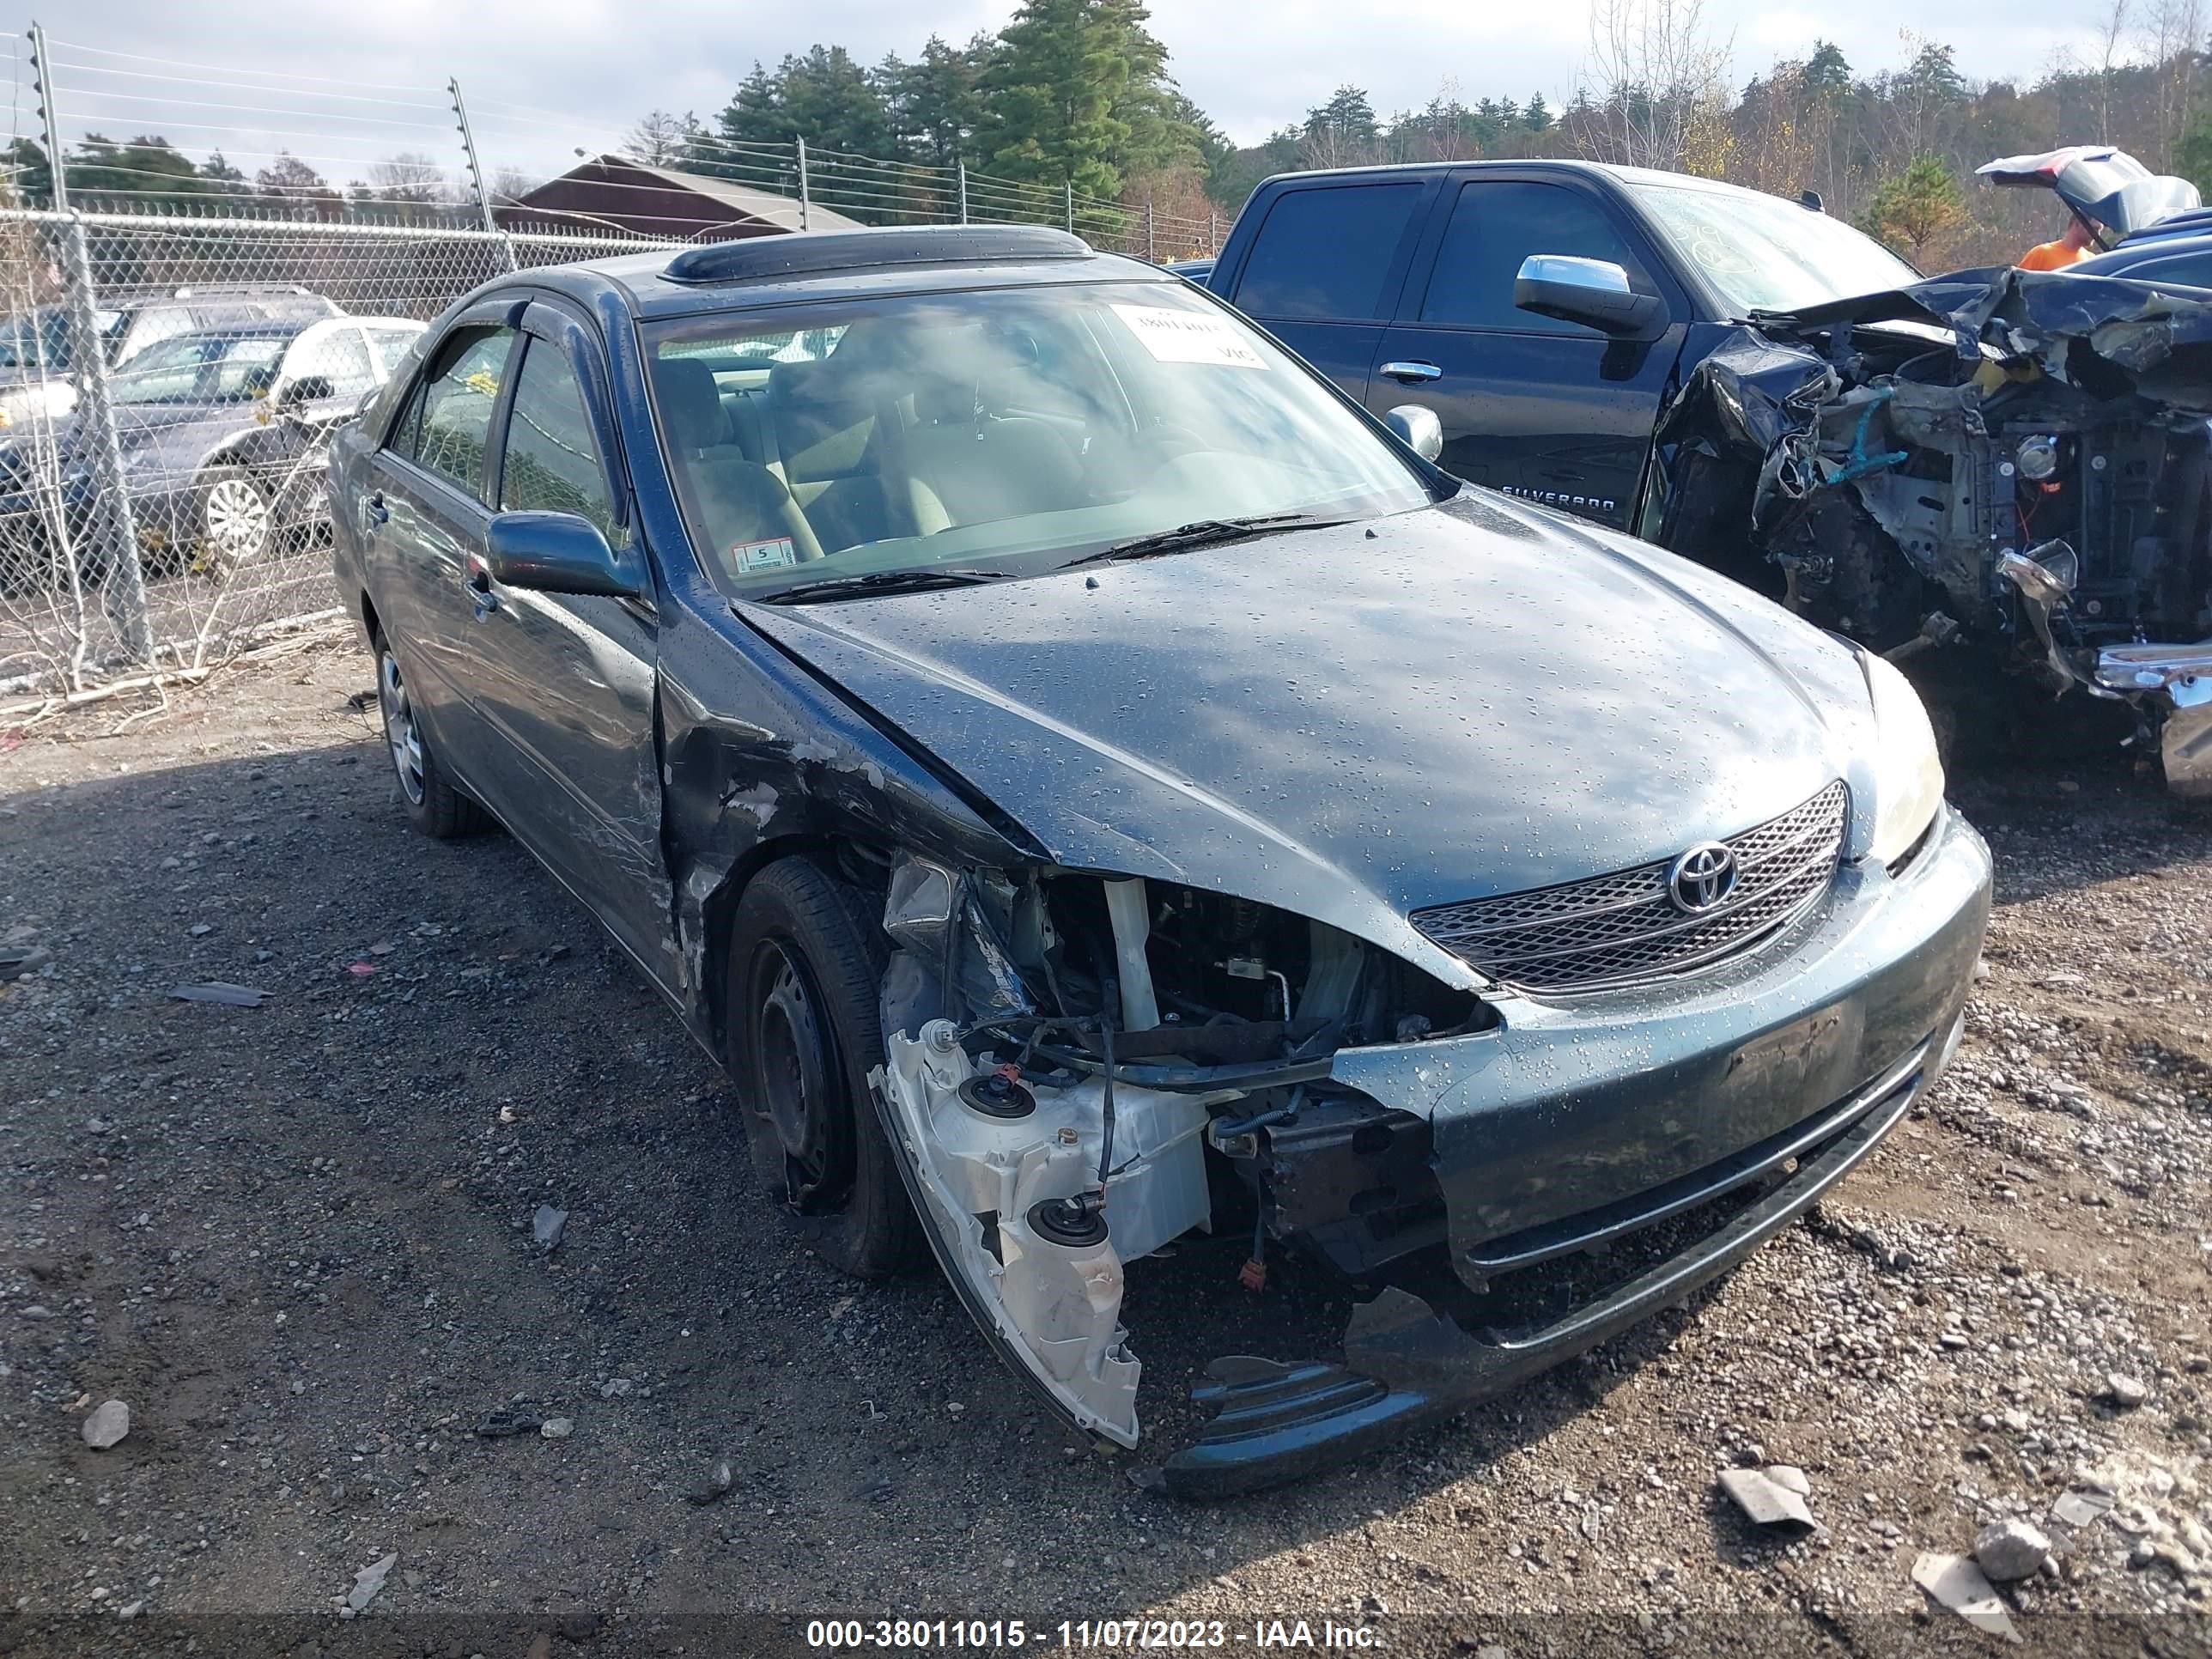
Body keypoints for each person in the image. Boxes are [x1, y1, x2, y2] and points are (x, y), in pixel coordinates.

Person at [2020, 216, 2100, 270]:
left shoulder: (2091, 260)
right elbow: (2016, 287)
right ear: (2077, 224)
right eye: (2095, 229)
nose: (2098, 235)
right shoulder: (2041, 254)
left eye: (2099, 230)